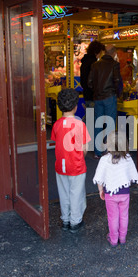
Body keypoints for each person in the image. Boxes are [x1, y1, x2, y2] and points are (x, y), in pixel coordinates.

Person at [51, 88, 91, 232]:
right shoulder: (80, 125)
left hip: (60, 166)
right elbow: (84, 148)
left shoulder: (56, 125)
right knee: (77, 193)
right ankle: (75, 221)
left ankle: (65, 220)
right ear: (75, 106)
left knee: (64, 192)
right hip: (76, 165)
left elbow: (57, 143)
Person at [93, 131, 138, 247]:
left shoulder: (104, 159)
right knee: (124, 215)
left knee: (112, 217)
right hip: (124, 193)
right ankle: (122, 238)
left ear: (108, 145)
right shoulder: (128, 158)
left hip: (110, 194)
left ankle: (113, 239)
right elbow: (131, 175)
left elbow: (99, 178)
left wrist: (101, 190)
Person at [88, 44, 122, 158]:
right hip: (109, 97)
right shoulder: (115, 65)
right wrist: (118, 94)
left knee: (98, 124)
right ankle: (108, 150)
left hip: (98, 98)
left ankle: (97, 152)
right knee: (110, 124)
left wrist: (97, 91)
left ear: (104, 53)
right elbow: (117, 80)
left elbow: (89, 83)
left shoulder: (95, 65)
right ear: (113, 52)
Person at [80, 40, 105, 112]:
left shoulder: (84, 62)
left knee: (89, 117)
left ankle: (83, 123)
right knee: (92, 119)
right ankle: (81, 123)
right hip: (93, 97)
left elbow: (83, 81)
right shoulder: (94, 64)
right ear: (97, 52)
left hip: (87, 95)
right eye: (100, 52)